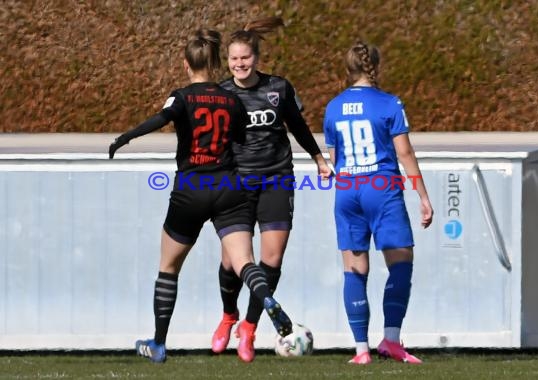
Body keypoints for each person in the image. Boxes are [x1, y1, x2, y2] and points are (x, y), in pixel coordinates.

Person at [108, 29, 293, 363]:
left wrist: (126, 137)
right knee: (245, 263)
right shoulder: (232, 99)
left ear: (185, 65)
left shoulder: (182, 97)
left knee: (169, 266)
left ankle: (159, 343)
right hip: (229, 188)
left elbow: (161, 119)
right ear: (218, 62)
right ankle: (265, 298)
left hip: (192, 188)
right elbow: (238, 137)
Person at [210, 17, 332, 363]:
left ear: (256, 58)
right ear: (228, 61)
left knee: (272, 259)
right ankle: (228, 315)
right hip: (235, 183)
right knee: (232, 261)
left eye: (245, 58)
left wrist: (319, 158)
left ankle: (249, 327)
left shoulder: (278, 88)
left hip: (277, 179)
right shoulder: (222, 94)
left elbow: (298, 125)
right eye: (234, 59)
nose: (239, 64)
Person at [323, 41, 433, 365]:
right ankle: (391, 340)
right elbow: (404, 153)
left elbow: (334, 158)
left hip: (347, 192)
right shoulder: (389, 103)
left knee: (354, 271)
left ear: (348, 69)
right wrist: (423, 195)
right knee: (401, 263)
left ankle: (361, 350)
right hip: (381, 189)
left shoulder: (333, 107)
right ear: (376, 67)